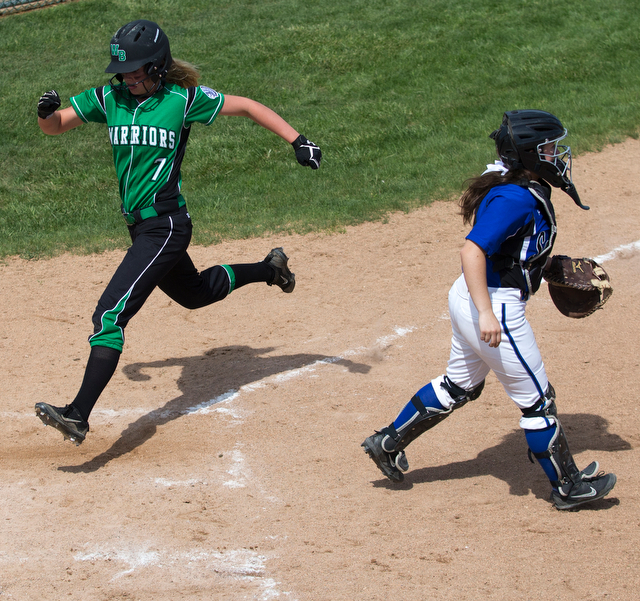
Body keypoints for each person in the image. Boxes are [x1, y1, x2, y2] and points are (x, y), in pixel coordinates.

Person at [33, 19, 322, 446]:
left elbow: (245, 106)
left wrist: (297, 139)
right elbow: (56, 126)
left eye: (136, 70)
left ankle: (78, 414)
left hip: (166, 226)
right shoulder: (108, 98)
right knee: (196, 293)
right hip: (142, 229)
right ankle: (270, 269)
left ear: (158, 66)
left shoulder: (182, 100)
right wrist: (44, 114)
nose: (128, 77)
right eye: (123, 70)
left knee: (110, 315)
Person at [361, 110, 616, 510]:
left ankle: (387, 442)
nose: (558, 154)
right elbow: (472, 250)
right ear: (531, 153)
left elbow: (507, 250)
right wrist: (486, 313)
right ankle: (567, 488)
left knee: (460, 385)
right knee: (538, 401)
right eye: (550, 148)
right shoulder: (514, 197)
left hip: (470, 296)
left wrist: (544, 266)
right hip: (492, 305)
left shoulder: (522, 186)